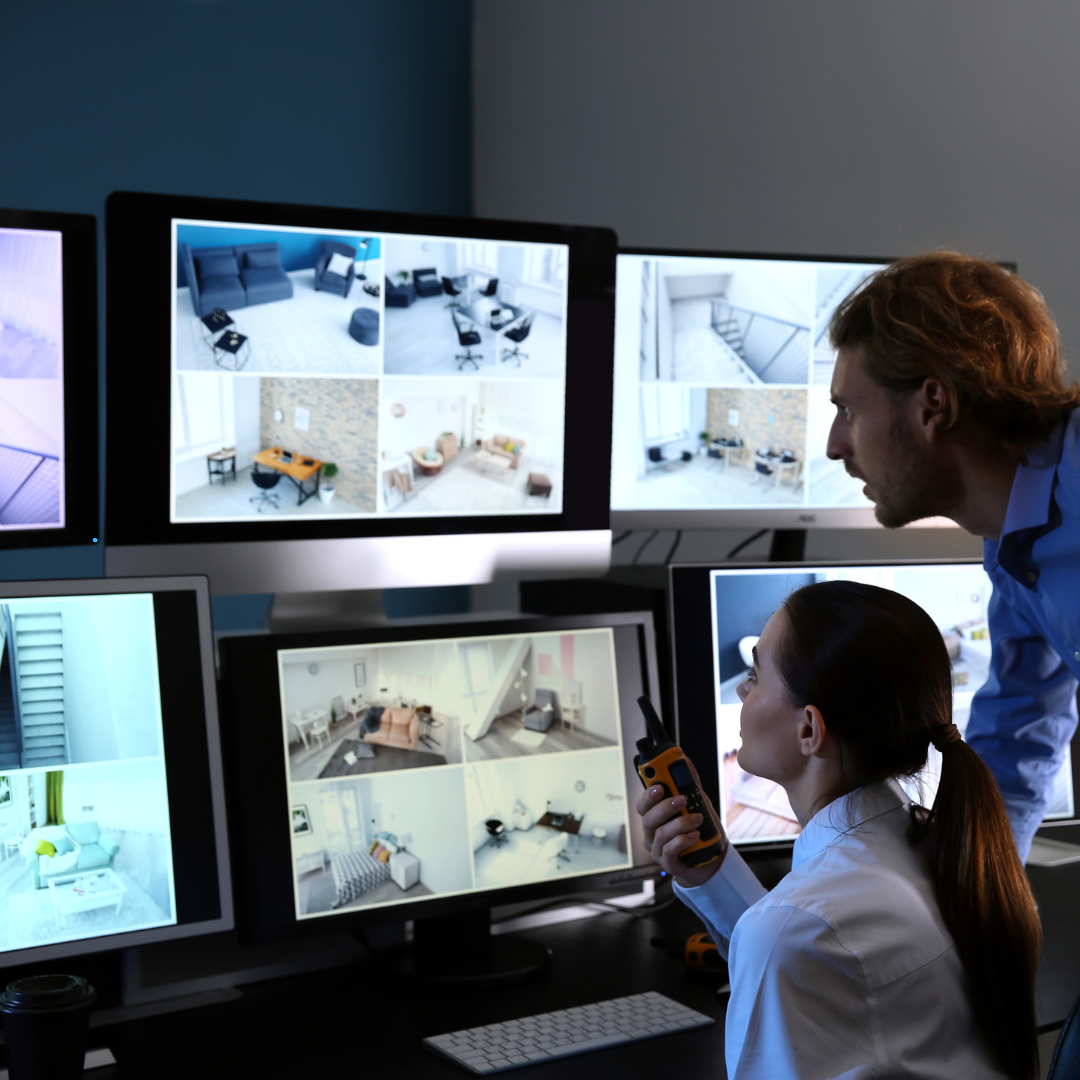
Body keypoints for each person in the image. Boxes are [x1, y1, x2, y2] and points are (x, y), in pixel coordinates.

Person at [639, 580, 1041, 1080]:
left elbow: (799, 937)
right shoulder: (942, 846)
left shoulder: (797, 928)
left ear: (809, 730)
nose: (742, 690)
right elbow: (820, 945)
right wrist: (712, 868)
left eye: (754, 674)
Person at [826, 253, 1080, 861]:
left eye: (849, 410)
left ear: (932, 405)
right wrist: (964, 899)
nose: (836, 446)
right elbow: (1017, 741)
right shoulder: (1011, 547)